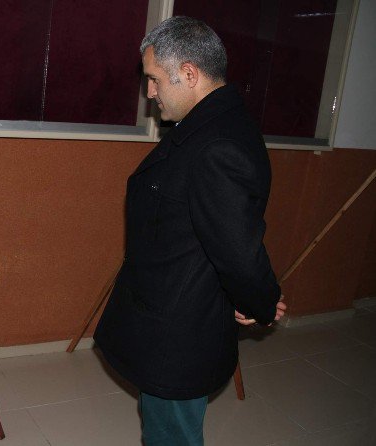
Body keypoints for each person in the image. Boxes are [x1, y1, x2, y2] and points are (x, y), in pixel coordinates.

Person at [94, 16, 286, 446]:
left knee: (172, 435)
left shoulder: (218, 146)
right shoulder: (207, 124)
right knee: (162, 424)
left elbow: (237, 248)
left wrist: (261, 300)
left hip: (180, 333)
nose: (150, 92)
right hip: (171, 317)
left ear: (190, 74)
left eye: (155, 80)